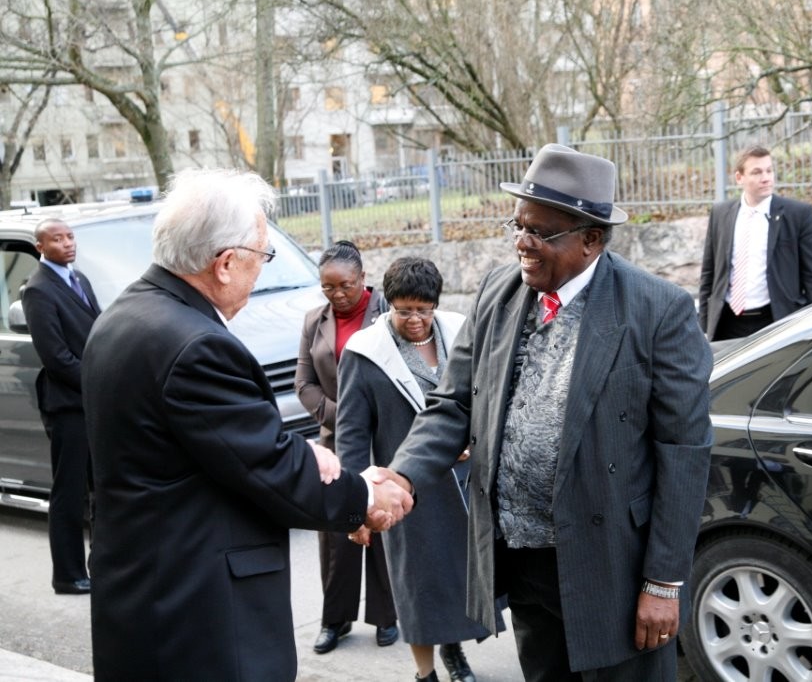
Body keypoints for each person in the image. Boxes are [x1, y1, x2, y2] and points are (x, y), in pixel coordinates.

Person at [376, 144, 713, 681]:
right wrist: (400, 477)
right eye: (518, 226)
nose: (522, 244)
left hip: (612, 565)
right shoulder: (499, 290)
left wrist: (663, 583)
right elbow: (454, 402)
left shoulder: (657, 310)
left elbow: (684, 453)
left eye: (540, 232)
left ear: (591, 239)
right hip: (523, 555)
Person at [80, 168, 412, 680]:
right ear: (227, 263)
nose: (262, 270)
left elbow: (211, 450)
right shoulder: (195, 346)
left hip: (144, 596)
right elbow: (263, 467)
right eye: (263, 255)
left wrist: (304, 454)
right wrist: (362, 496)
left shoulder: (124, 317)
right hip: (199, 615)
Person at [339, 257, 503, 682]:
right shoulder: (365, 353)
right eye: (404, 309)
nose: (415, 319)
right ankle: (424, 671)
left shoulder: (459, 332)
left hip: (464, 484)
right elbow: (352, 435)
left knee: (461, 577)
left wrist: (473, 439)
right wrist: (355, 505)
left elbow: (485, 396)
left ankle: (455, 653)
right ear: (387, 305)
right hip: (405, 491)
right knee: (419, 585)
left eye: (423, 309)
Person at [295, 239, 398, 653]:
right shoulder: (312, 321)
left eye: (346, 286)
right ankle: (334, 620)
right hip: (335, 442)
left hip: (383, 439)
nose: (337, 295)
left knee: (379, 520)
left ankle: (386, 615)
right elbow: (304, 384)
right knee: (336, 530)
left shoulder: (389, 314)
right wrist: (346, 418)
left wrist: (367, 420)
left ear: (363, 279)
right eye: (328, 288)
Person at [21, 218, 101, 596]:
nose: (68, 243)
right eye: (57, 239)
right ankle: (68, 575)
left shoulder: (79, 279)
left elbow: (97, 331)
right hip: (68, 404)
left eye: (70, 236)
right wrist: (97, 381)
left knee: (102, 486)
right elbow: (56, 357)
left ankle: (104, 564)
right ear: (41, 247)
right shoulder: (37, 290)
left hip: (93, 400)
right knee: (69, 492)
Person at [699, 144, 812, 340]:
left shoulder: (797, 214)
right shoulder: (721, 213)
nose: (766, 178)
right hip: (727, 323)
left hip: (775, 320)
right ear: (739, 177)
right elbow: (709, 272)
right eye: (757, 172)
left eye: (769, 170)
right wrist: (705, 325)